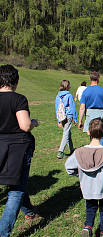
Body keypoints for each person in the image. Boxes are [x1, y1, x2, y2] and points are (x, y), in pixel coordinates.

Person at [0, 65, 39, 236]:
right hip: (18, 148)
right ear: (15, 81)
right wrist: (34, 123)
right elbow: (24, 125)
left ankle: (29, 211)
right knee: (16, 190)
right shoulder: (18, 99)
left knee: (17, 184)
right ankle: (3, 232)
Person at [65, 118, 103, 237]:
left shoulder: (79, 152)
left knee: (90, 207)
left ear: (88, 132)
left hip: (87, 187)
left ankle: (88, 226)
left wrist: (79, 174)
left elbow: (68, 167)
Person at [78, 72, 103, 147]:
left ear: (90, 79)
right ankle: (102, 154)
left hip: (90, 113)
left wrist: (80, 120)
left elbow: (82, 107)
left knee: (92, 136)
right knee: (102, 134)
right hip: (101, 114)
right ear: (98, 78)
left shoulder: (86, 91)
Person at [55, 80, 77, 159]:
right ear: (67, 86)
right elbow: (72, 107)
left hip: (61, 116)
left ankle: (71, 149)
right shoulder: (69, 95)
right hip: (68, 116)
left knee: (67, 132)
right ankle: (60, 152)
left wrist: (58, 120)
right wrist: (75, 118)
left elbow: (57, 108)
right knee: (66, 133)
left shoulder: (58, 96)